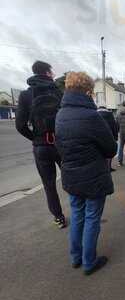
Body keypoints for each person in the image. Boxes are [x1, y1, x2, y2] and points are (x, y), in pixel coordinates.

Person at [55, 72, 117, 275]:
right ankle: (89, 262)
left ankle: (75, 257)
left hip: (71, 175)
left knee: (77, 215)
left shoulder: (60, 114)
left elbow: (60, 146)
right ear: (88, 92)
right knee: (92, 217)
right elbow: (110, 149)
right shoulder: (92, 116)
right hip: (93, 177)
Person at [15, 60, 66, 228]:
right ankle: (78, 210)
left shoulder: (25, 95)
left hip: (41, 146)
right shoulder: (58, 92)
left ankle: (58, 217)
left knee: (49, 185)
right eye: (52, 72)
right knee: (71, 177)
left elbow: (20, 126)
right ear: (47, 73)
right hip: (60, 143)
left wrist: (36, 138)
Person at [97, 106, 118, 172]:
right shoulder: (110, 115)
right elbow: (115, 127)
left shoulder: (95, 115)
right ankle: (109, 167)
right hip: (109, 136)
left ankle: (101, 168)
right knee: (109, 152)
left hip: (98, 137)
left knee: (99, 153)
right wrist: (115, 137)